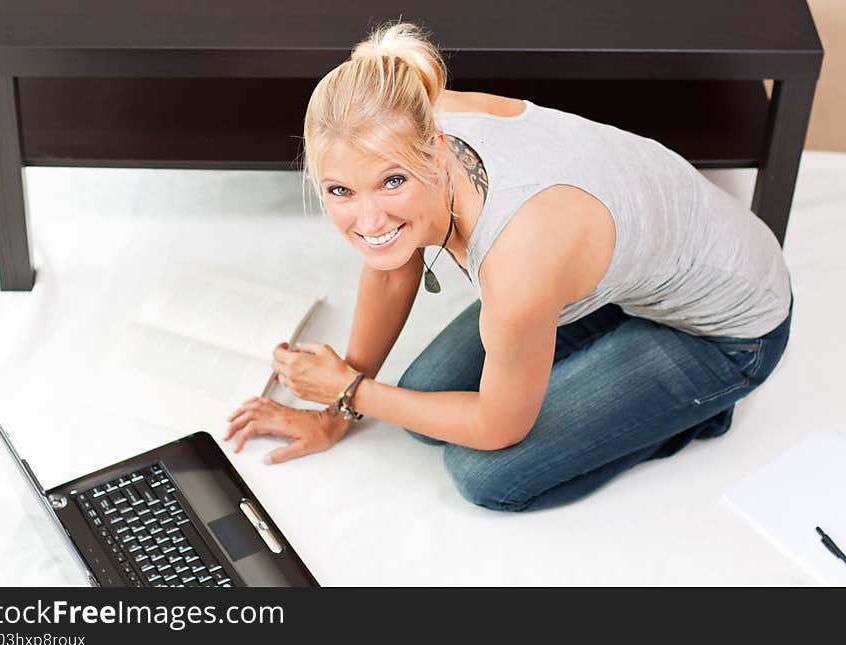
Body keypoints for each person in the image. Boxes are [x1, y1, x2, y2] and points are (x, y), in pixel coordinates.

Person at [224, 20, 794, 512]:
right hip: (623, 279)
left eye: (392, 181)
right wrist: (335, 412)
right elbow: (391, 260)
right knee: (423, 397)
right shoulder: (410, 109)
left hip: (729, 333)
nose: (368, 218)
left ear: (436, 152)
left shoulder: (520, 260)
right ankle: (616, 352)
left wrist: (350, 389)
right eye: (341, 190)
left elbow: (500, 427)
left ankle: (700, 410)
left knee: (486, 475)